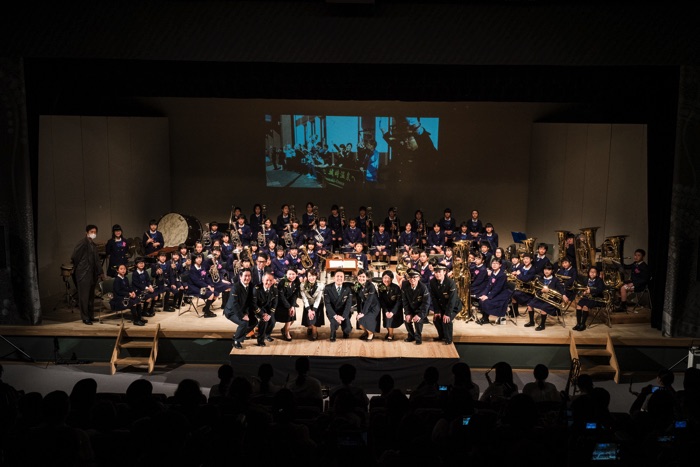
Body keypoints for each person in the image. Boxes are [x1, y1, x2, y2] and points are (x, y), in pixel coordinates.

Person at [71, 224, 104, 325]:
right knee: (84, 297)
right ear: (87, 232)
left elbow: (97, 260)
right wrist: (81, 267)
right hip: (84, 273)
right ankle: (85, 317)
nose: (93, 234)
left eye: (95, 232)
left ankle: (90, 315)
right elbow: (74, 257)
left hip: (92, 274)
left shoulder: (93, 244)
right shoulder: (82, 243)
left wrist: (100, 272)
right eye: (91, 232)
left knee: (91, 297)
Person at [525, 262, 565, 331]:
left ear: (552, 271)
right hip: (541, 298)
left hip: (551, 299)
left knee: (543, 308)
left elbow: (561, 289)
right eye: (545, 269)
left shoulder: (555, 280)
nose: (546, 271)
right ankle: (531, 322)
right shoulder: (540, 279)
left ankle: (542, 325)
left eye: (549, 270)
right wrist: (542, 291)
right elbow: (537, 291)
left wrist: (564, 295)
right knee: (529, 305)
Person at [430, 264, 462, 345]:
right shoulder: (432, 282)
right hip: (442, 305)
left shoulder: (450, 283)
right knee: (436, 319)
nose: (437, 274)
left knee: (446, 320)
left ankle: (448, 339)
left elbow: (452, 300)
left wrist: (447, 314)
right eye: (435, 272)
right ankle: (442, 336)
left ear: (444, 272)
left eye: (439, 272)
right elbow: (434, 297)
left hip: (453, 306)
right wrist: (437, 311)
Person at [224, 268, 254, 349]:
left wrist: (247, 313)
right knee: (244, 323)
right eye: (245, 276)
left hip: (242, 309)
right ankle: (236, 340)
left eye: (249, 276)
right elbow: (234, 304)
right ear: (240, 277)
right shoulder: (235, 287)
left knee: (254, 321)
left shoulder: (250, 285)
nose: (247, 278)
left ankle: (239, 334)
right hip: (231, 311)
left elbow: (249, 301)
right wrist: (242, 316)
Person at [477, 258, 510, 325]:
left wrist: (488, 296)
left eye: (496, 263)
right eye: (493, 263)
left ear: (500, 265)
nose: (494, 265)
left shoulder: (502, 275)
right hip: (494, 292)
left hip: (501, 294)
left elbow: (498, 289)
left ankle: (486, 318)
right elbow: (488, 286)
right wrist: (484, 294)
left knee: (486, 301)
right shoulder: (493, 272)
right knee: (481, 299)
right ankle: (485, 318)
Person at [401, 268, 430, 345]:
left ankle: (418, 337)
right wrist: (407, 313)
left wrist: (419, 315)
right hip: (411, 309)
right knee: (407, 320)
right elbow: (405, 301)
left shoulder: (423, 287)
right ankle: (411, 336)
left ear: (418, 277)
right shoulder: (404, 285)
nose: (412, 279)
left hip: (421, 310)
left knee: (417, 321)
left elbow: (426, 303)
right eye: (410, 277)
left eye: (414, 277)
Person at [324, 269, 353, 341]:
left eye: (341, 276)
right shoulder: (328, 288)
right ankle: (333, 332)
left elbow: (348, 305)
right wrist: (336, 316)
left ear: (344, 278)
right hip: (333, 312)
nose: (339, 278)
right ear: (334, 277)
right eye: (337, 276)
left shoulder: (348, 288)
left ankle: (345, 330)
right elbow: (327, 304)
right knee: (334, 324)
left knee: (348, 329)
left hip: (344, 313)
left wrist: (343, 317)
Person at [574, 266, 605, 332]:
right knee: (578, 306)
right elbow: (583, 287)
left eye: (594, 272)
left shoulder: (599, 280)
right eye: (591, 272)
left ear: (597, 273)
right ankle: (578, 323)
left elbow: (600, 290)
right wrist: (583, 292)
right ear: (589, 273)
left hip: (596, 298)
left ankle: (583, 324)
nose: (592, 273)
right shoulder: (586, 279)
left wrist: (590, 291)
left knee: (585, 306)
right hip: (587, 297)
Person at [252, 271, 278, 346]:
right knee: (264, 321)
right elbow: (254, 304)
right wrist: (263, 314)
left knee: (272, 321)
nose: (269, 282)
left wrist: (270, 314)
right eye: (267, 280)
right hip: (258, 308)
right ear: (263, 280)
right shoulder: (256, 289)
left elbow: (275, 303)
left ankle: (267, 335)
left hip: (268, 309)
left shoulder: (274, 288)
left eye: (271, 280)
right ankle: (260, 340)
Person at [300, 269, 325, 341]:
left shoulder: (321, 285)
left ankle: (314, 332)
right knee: (309, 319)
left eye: (313, 275)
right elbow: (304, 299)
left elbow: (318, 299)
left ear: (316, 276)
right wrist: (309, 310)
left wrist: (313, 310)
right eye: (309, 276)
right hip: (308, 304)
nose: (311, 278)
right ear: (307, 277)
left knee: (315, 318)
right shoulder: (302, 285)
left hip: (318, 304)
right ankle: (309, 328)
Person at [276, 268, 301, 341]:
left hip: (290, 303)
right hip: (281, 304)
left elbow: (295, 294)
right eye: (289, 274)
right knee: (289, 317)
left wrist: (292, 306)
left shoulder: (297, 281)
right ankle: (286, 333)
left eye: (293, 274)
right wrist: (289, 307)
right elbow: (281, 296)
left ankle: (284, 329)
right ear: (286, 275)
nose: (291, 276)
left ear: (296, 274)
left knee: (292, 317)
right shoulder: (282, 282)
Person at [356, 269, 380, 341]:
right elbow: (359, 300)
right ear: (357, 277)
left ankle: (371, 333)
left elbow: (369, 301)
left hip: (374, 307)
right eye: (360, 276)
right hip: (366, 307)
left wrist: (363, 313)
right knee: (359, 320)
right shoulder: (358, 285)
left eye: (363, 277)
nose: (361, 278)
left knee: (364, 319)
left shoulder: (371, 286)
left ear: (367, 278)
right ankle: (366, 332)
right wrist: (359, 312)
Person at [377, 270, 402, 341]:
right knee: (386, 320)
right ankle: (389, 332)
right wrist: (386, 311)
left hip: (395, 308)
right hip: (386, 307)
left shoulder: (396, 288)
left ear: (391, 279)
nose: (386, 280)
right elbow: (381, 300)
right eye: (384, 278)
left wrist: (392, 312)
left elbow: (398, 301)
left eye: (388, 278)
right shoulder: (380, 287)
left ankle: (391, 334)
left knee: (390, 320)